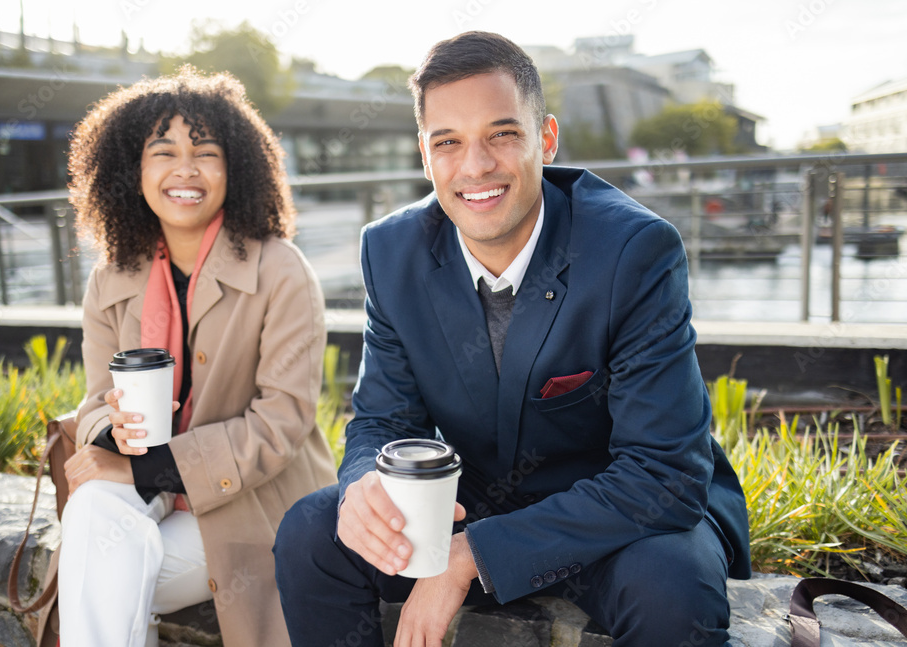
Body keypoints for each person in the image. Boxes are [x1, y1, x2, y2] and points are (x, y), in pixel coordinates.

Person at [274, 31, 750, 647]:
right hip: (479, 494)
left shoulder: (634, 251)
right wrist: (367, 482)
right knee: (314, 532)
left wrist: (472, 554)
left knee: (672, 588)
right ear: (425, 154)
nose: (474, 167)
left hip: (619, 513)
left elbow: (662, 473)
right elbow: (381, 421)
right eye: (448, 142)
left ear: (545, 138)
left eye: (502, 134)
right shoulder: (391, 252)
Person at [57, 66, 337, 647]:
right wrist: (112, 430)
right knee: (95, 518)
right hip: (145, 495)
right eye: (163, 152)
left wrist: (143, 468)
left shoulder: (282, 271)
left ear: (235, 168)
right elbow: (91, 403)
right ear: (131, 171)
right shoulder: (111, 277)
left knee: (103, 569)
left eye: (205, 152)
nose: (185, 169)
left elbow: (279, 428)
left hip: (256, 503)